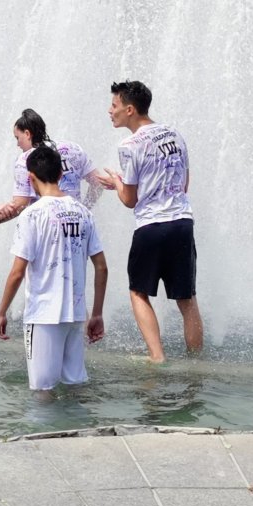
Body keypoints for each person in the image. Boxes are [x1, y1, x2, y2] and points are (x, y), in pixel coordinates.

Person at [96, 80, 202, 363]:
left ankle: (157, 356)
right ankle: (196, 361)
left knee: (138, 292)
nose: (110, 111)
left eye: (114, 105)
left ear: (130, 109)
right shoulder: (175, 134)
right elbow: (184, 185)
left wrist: (116, 182)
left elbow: (129, 199)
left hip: (151, 226)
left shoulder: (129, 145)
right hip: (182, 223)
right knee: (187, 298)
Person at [0, 146, 108, 391]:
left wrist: (2, 312)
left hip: (43, 314)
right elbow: (101, 267)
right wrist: (97, 313)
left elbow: (17, 272)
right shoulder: (83, 212)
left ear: (30, 177)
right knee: (74, 386)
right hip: (76, 315)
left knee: (42, 392)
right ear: (60, 175)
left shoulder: (32, 215)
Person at [0, 109, 102, 228]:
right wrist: (84, 208)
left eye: (17, 138)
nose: (17, 144)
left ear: (27, 134)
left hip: (46, 227)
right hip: (77, 227)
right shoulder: (73, 148)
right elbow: (98, 183)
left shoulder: (25, 159)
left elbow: (18, 206)